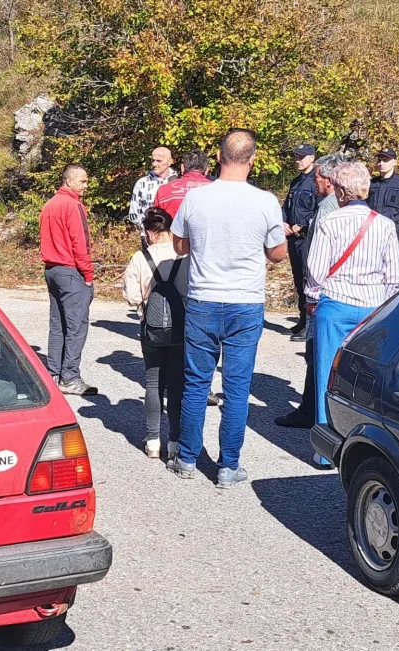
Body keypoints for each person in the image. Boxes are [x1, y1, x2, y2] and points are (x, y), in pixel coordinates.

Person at [169, 129, 287, 487]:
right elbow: (279, 254)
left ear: (218, 158)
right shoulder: (265, 201)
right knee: (236, 388)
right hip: (245, 301)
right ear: (252, 161)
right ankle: (228, 466)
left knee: (195, 383)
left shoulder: (195, 198)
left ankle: (187, 458)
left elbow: (178, 246)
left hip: (204, 298)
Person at [306, 162, 399, 466]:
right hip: (373, 308)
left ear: (339, 190)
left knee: (326, 372)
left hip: (336, 303)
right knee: (367, 378)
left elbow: (316, 269)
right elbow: (394, 276)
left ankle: (325, 448)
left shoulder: (330, 222)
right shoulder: (384, 224)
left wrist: (311, 298)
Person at [275, 153, 344, 430]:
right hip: (343, 293)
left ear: (328, 180)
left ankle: (312, 413)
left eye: (317, 177)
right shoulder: (340, 204)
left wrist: (311, 297)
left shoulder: (328, 208)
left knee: (316, 352)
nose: (314, 181)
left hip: (325, 293)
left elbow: (318, 257)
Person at [153, 149, 220, 408]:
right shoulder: (215, 190)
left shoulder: (165, 190)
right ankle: (204, 385)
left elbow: (155, 225)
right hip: (205, 261)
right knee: (203, 325)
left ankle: (172, 382)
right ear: (205, 170)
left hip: (170, 259)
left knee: (171, 319)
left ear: (181, 168)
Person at [122, 208, 189, 460]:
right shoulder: (184, 256)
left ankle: (152, 441)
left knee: (153, 383)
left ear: (149, 233)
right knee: (176, 385)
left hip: (151, 330)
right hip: (180, 328)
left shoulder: (140, 257)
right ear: (170, 231)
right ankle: (174, 441)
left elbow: (132, 297)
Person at [40, 165, 98, 396]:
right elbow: (80, 243)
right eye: (82, 181)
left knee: (58, 324)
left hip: (51, 269)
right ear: (70, 181)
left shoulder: (50, 205)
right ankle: (70, 377)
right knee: (76, 326)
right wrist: (88, 274)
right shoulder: (73, 206)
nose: (85, 186)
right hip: (70, 270)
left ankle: (54, 373)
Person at [283, 144, 319, 340]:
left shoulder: (317, 181)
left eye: (302, 157)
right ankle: (302, 319)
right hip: (293, 239)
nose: (299, 160)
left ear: (312, 158)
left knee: (309, 281)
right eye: (297, 156)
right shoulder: (296, 182)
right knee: (298, 280)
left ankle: (310, 325)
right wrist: (283, 222)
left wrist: (302, 225)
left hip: (307, 238)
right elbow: (285, 207)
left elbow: (319, 210)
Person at [367, 148, 399, 271]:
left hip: (397, 238)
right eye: (379, 160)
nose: (381, 163)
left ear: (394, 162)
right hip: (373, 236)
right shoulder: (370, 184)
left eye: (386, 160)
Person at [129, 146, 177, 245]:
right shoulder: (142, 183)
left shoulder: (178, 182)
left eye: (159, 161)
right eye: (152, 160)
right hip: (150, 236)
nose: (154, 164)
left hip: (174, 236)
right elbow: (133, 214)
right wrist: (149, 228)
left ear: (169, 161)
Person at [153, 149, 211, 218]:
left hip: (171, 228)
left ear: (182, 168)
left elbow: (156, 222)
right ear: (207, 170)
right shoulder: (219, 191)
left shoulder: (163, 190)